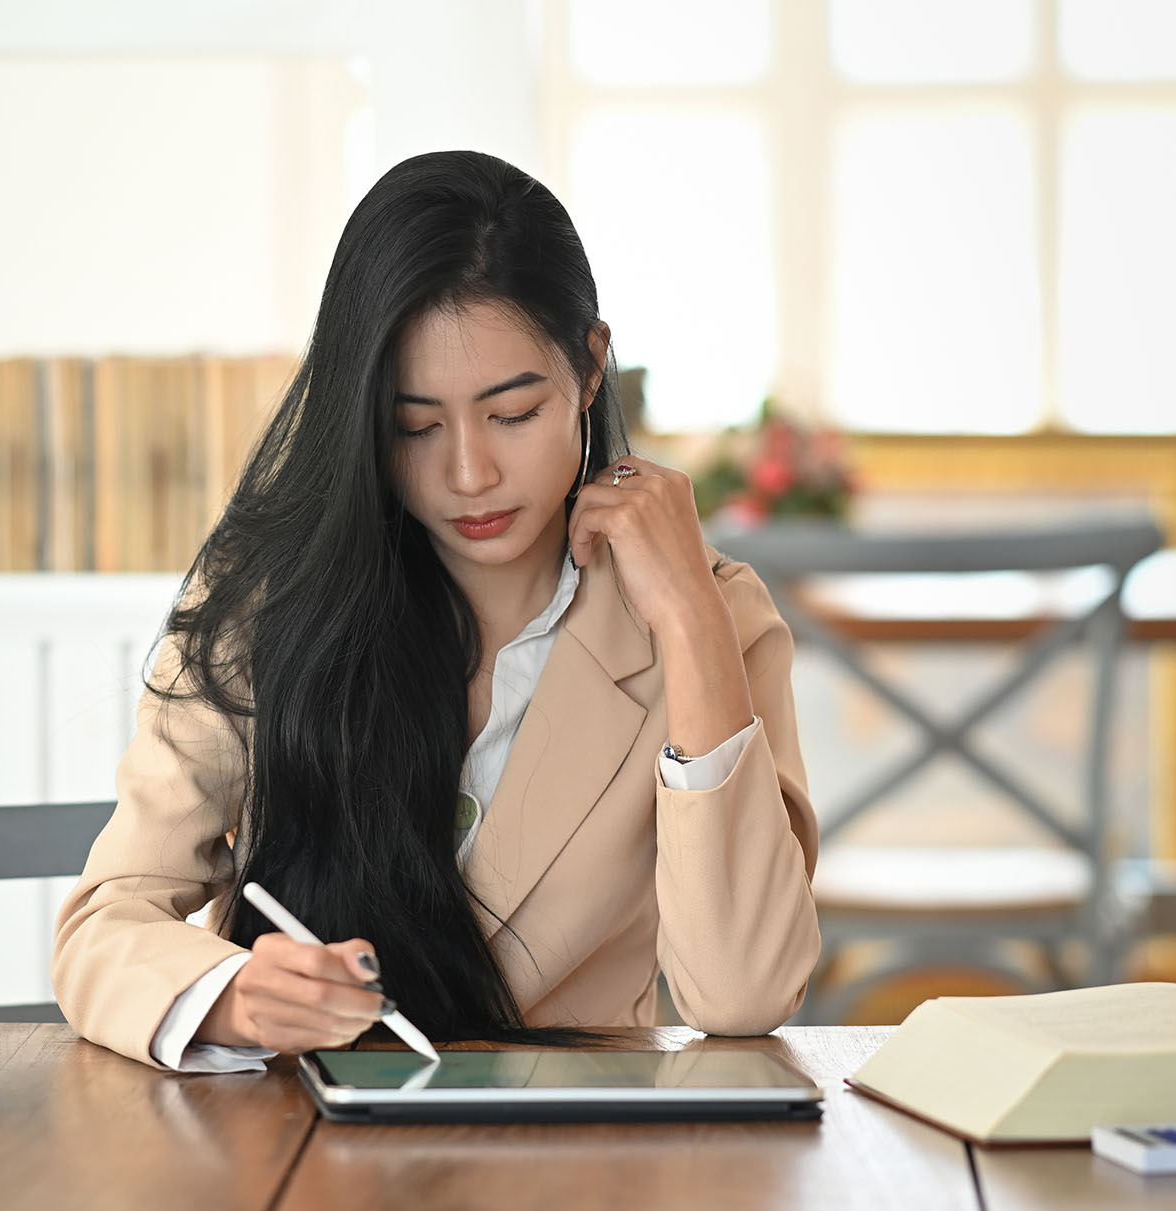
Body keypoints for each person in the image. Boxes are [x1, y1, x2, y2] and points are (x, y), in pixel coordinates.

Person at [51, 150, 819, 1072]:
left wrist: (692, 620)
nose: (468, 475)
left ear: (589, 367)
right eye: (414, 426)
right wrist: (236, 998)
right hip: (302, 1160)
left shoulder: (708, 616)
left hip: (575, 1165)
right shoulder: (267, 597)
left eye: (513, 413)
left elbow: (744, 996)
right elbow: (110, 918)